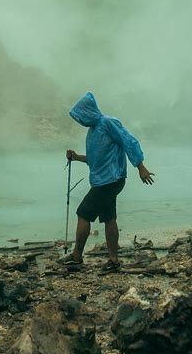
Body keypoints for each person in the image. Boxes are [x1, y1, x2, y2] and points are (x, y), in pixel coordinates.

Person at [62, 92, 154, 272]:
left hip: (111, 180)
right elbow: (96, 159)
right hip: (102, 181)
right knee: (109, 217)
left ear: (88, 112)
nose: (80, 121)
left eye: (81, 116)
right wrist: (76, 157)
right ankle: (113, 260)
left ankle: (76, 257)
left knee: (83, 213)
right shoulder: (93, 131)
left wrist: (140, 166)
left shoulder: (108, 123)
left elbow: (129, 141)